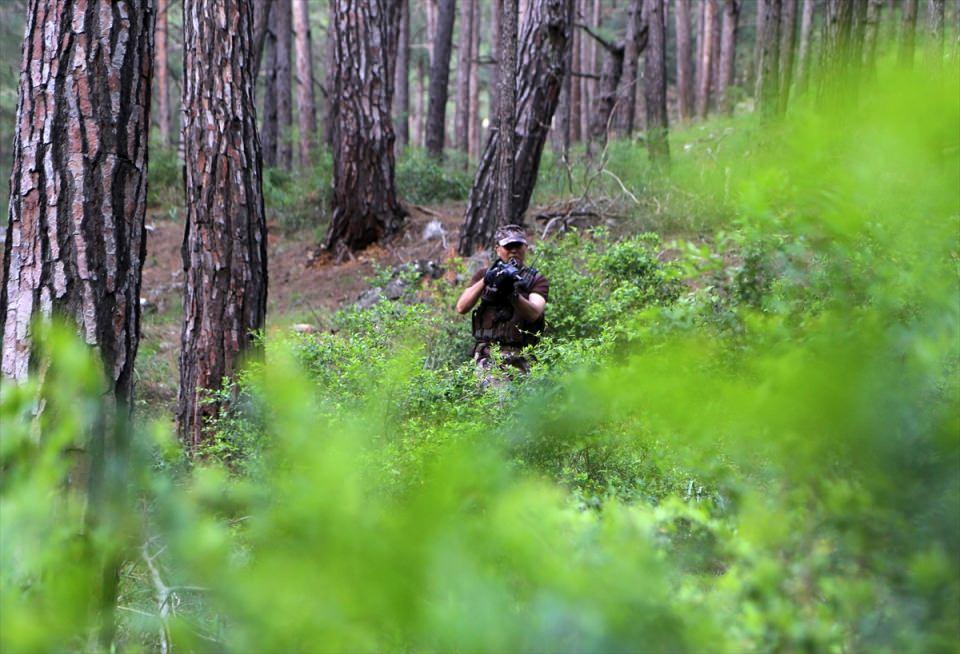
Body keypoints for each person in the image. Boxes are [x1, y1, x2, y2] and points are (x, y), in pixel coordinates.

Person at [455, 225, 549, 380]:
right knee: (500, 400)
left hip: (522, 355)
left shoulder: (536, 280)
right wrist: (486, 280)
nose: (513, 250)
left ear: (525, 247)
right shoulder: (484, 274)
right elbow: (461, 307)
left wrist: (512, 294)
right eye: (508, 246)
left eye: (518, 245)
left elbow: (534, 314)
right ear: (497, 249)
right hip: (489, 356)